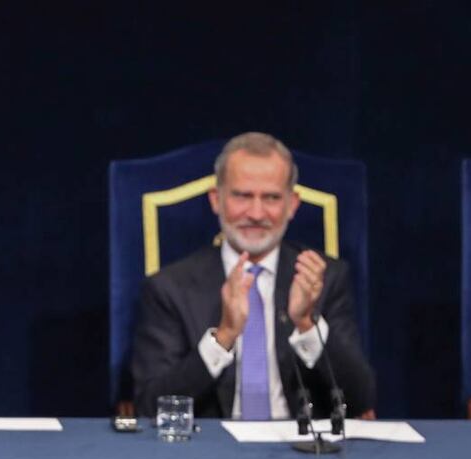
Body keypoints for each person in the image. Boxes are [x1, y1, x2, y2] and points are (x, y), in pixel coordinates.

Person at [130, 132, 375, 419]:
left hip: (301, 452)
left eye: (271, 197)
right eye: (242, 196)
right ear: (216, 199)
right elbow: (149, 406)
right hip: (210, 454)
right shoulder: (170, 287)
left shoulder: (324, 278)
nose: (256, 213)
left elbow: (361, 399)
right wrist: (223, 338)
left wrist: (307, 323)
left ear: (292, 204)